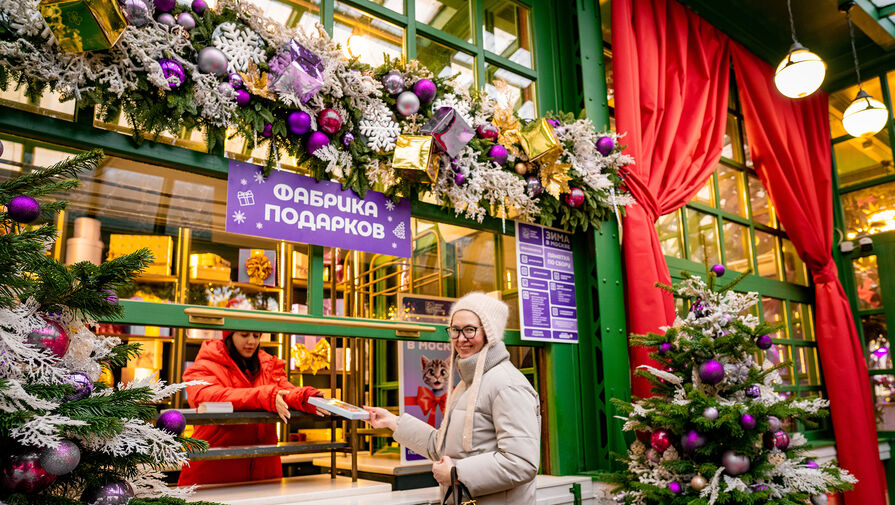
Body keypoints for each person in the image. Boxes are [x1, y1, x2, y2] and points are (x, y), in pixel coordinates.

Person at [364, 292, 541, 505]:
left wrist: (457, 473)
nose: (460, 339)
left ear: (490, 333)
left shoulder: (507, 385)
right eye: (455, 330)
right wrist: (392, 422)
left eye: (469, 330)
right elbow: (442, 446)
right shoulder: (467, 384)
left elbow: (522, 462)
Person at [177, 330, 322, 486]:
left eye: (256, 336)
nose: (252, 341)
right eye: (245, 335)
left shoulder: (268, 366)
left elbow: (286, 392)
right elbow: (211, 396)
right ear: (229, 336)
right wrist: (264, 396)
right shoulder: (203, 366)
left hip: (264, 472)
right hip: (213, 471)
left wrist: (306, 397)